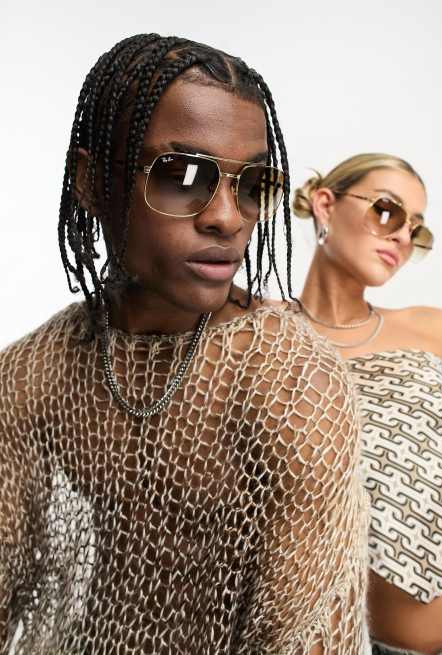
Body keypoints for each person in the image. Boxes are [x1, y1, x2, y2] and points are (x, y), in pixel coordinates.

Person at [0, 35, 369, 654]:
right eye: (183, 175)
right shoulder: (29, 376)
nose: (228, 217)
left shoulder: (291, 382)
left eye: (252, 184)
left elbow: (309, 636)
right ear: (91, 182)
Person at [293, 153, 442, 655]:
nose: (402, 237)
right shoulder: (269, 344)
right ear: (325, 204)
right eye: (387, 211)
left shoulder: (431, 328)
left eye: (416, 229)